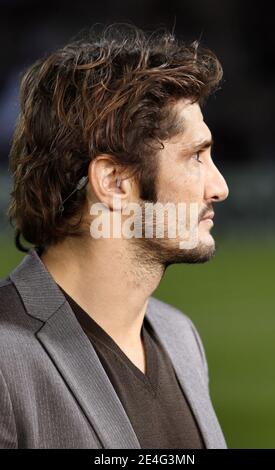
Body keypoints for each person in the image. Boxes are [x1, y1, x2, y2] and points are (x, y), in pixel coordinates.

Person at [0, 23, 229, 449]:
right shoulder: (5, 361)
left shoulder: (180, 335)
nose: (219, 187)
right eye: (195, 157)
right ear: (115, 182)